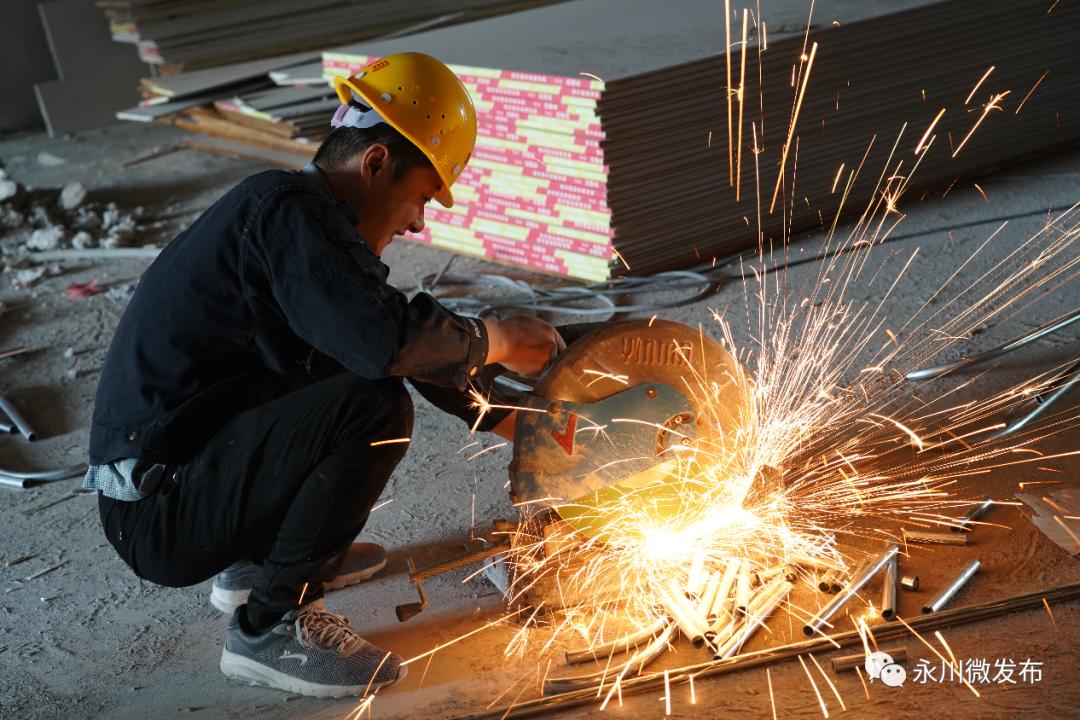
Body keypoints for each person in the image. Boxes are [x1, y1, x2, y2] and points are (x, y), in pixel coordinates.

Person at [84, 52, 562, 699]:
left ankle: (259, 568)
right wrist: (497, 338)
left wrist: (521, 424)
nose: (419, 221)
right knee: (374, 404)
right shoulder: (283, 213)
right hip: (159, 515)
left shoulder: (301, 228)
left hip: (181, 486)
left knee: (371, 365)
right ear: (375, 164)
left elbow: (404, 341)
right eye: (421, 197)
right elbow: (386, 347)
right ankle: (269, 625)